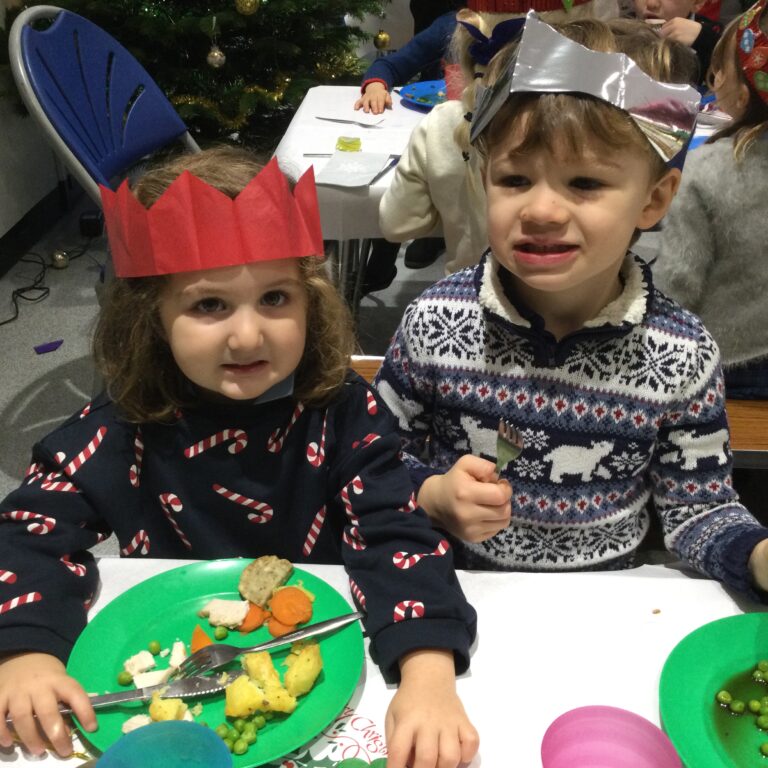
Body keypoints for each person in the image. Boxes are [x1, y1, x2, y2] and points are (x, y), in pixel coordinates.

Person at [0, 147, 479, 767]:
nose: (249, 335)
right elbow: (28, 530)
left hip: (330, 662)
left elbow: (396, 533)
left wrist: (428, 675)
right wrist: (26, 651)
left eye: (276, 298)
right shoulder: (125, 423)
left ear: (310, 302)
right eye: (209, 305)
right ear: (153, 318)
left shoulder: (341, 411)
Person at [374, 13, 768, 590]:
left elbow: (699, 509)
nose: (541, 211)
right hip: (458, 598)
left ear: (653, 200)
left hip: (606, 607)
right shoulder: (434, 324)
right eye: (514, 180)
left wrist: (756, 556)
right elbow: (372, 458)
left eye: (584, 183)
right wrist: (431, 494)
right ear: (484, 180)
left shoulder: (683, 355)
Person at [378, 0, 610, 279]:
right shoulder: (606, 127)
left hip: (467, 293)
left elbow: (398, 224)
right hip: (579, 299)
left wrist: (454, 208)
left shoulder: (442, 123)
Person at [655, 0, 768, 398]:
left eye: (720, 71)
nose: (714, 79)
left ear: (743, 94)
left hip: (726, 366)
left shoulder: (705, 170)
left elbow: (678, 284)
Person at [632, 0, 722, 85]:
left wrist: (704, 41)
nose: (651, 3)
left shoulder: (716, 39)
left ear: (697, 2)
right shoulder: (623, 32)